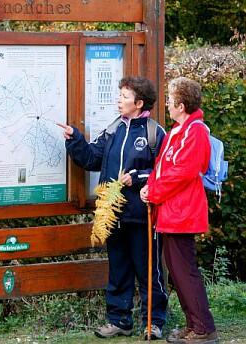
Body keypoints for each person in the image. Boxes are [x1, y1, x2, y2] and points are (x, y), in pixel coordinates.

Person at [58, 76, 167, 339]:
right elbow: (91, 158)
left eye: (125, 96)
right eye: (120, 95)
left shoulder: (155, 133)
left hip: (142, 217)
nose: (119, 100)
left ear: (139, 103)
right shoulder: (113, 129)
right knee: (118, 270)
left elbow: (164, 172)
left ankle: (154, 322)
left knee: (148, 271)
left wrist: (137, 177)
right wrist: (75, 139)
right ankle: (119, 320)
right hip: (113, 215)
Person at [140, 77, 218, 344]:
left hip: (182, 212)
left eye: (171, 101)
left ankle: (204, 328)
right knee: (178, 271)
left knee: (185, 271)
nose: (168, 105)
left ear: (181, 105)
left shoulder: (195, 131)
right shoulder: (178, 130)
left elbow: (183, 172)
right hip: (171, 211)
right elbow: (161, 166)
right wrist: (149, 187)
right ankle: (194, 324)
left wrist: (154, 192)